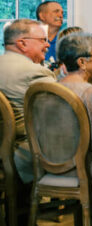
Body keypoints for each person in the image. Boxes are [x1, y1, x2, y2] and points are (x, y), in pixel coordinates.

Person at [56, 31, 92, 226]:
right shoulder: (91, 94)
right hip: (85, 167)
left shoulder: (52, 88)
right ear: (82, 62)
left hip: (53, 163)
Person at [0, 19, 56, 184]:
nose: (47, 45)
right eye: (43, 40)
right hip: (24, 154)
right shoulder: (34, 72)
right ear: (22, 43)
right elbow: (61, 114)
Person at [36, 1, 63, 65]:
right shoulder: (31, 41)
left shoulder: (65, 41)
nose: (61, 15)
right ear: (42, 16)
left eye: (62, 13)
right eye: (56, 11)